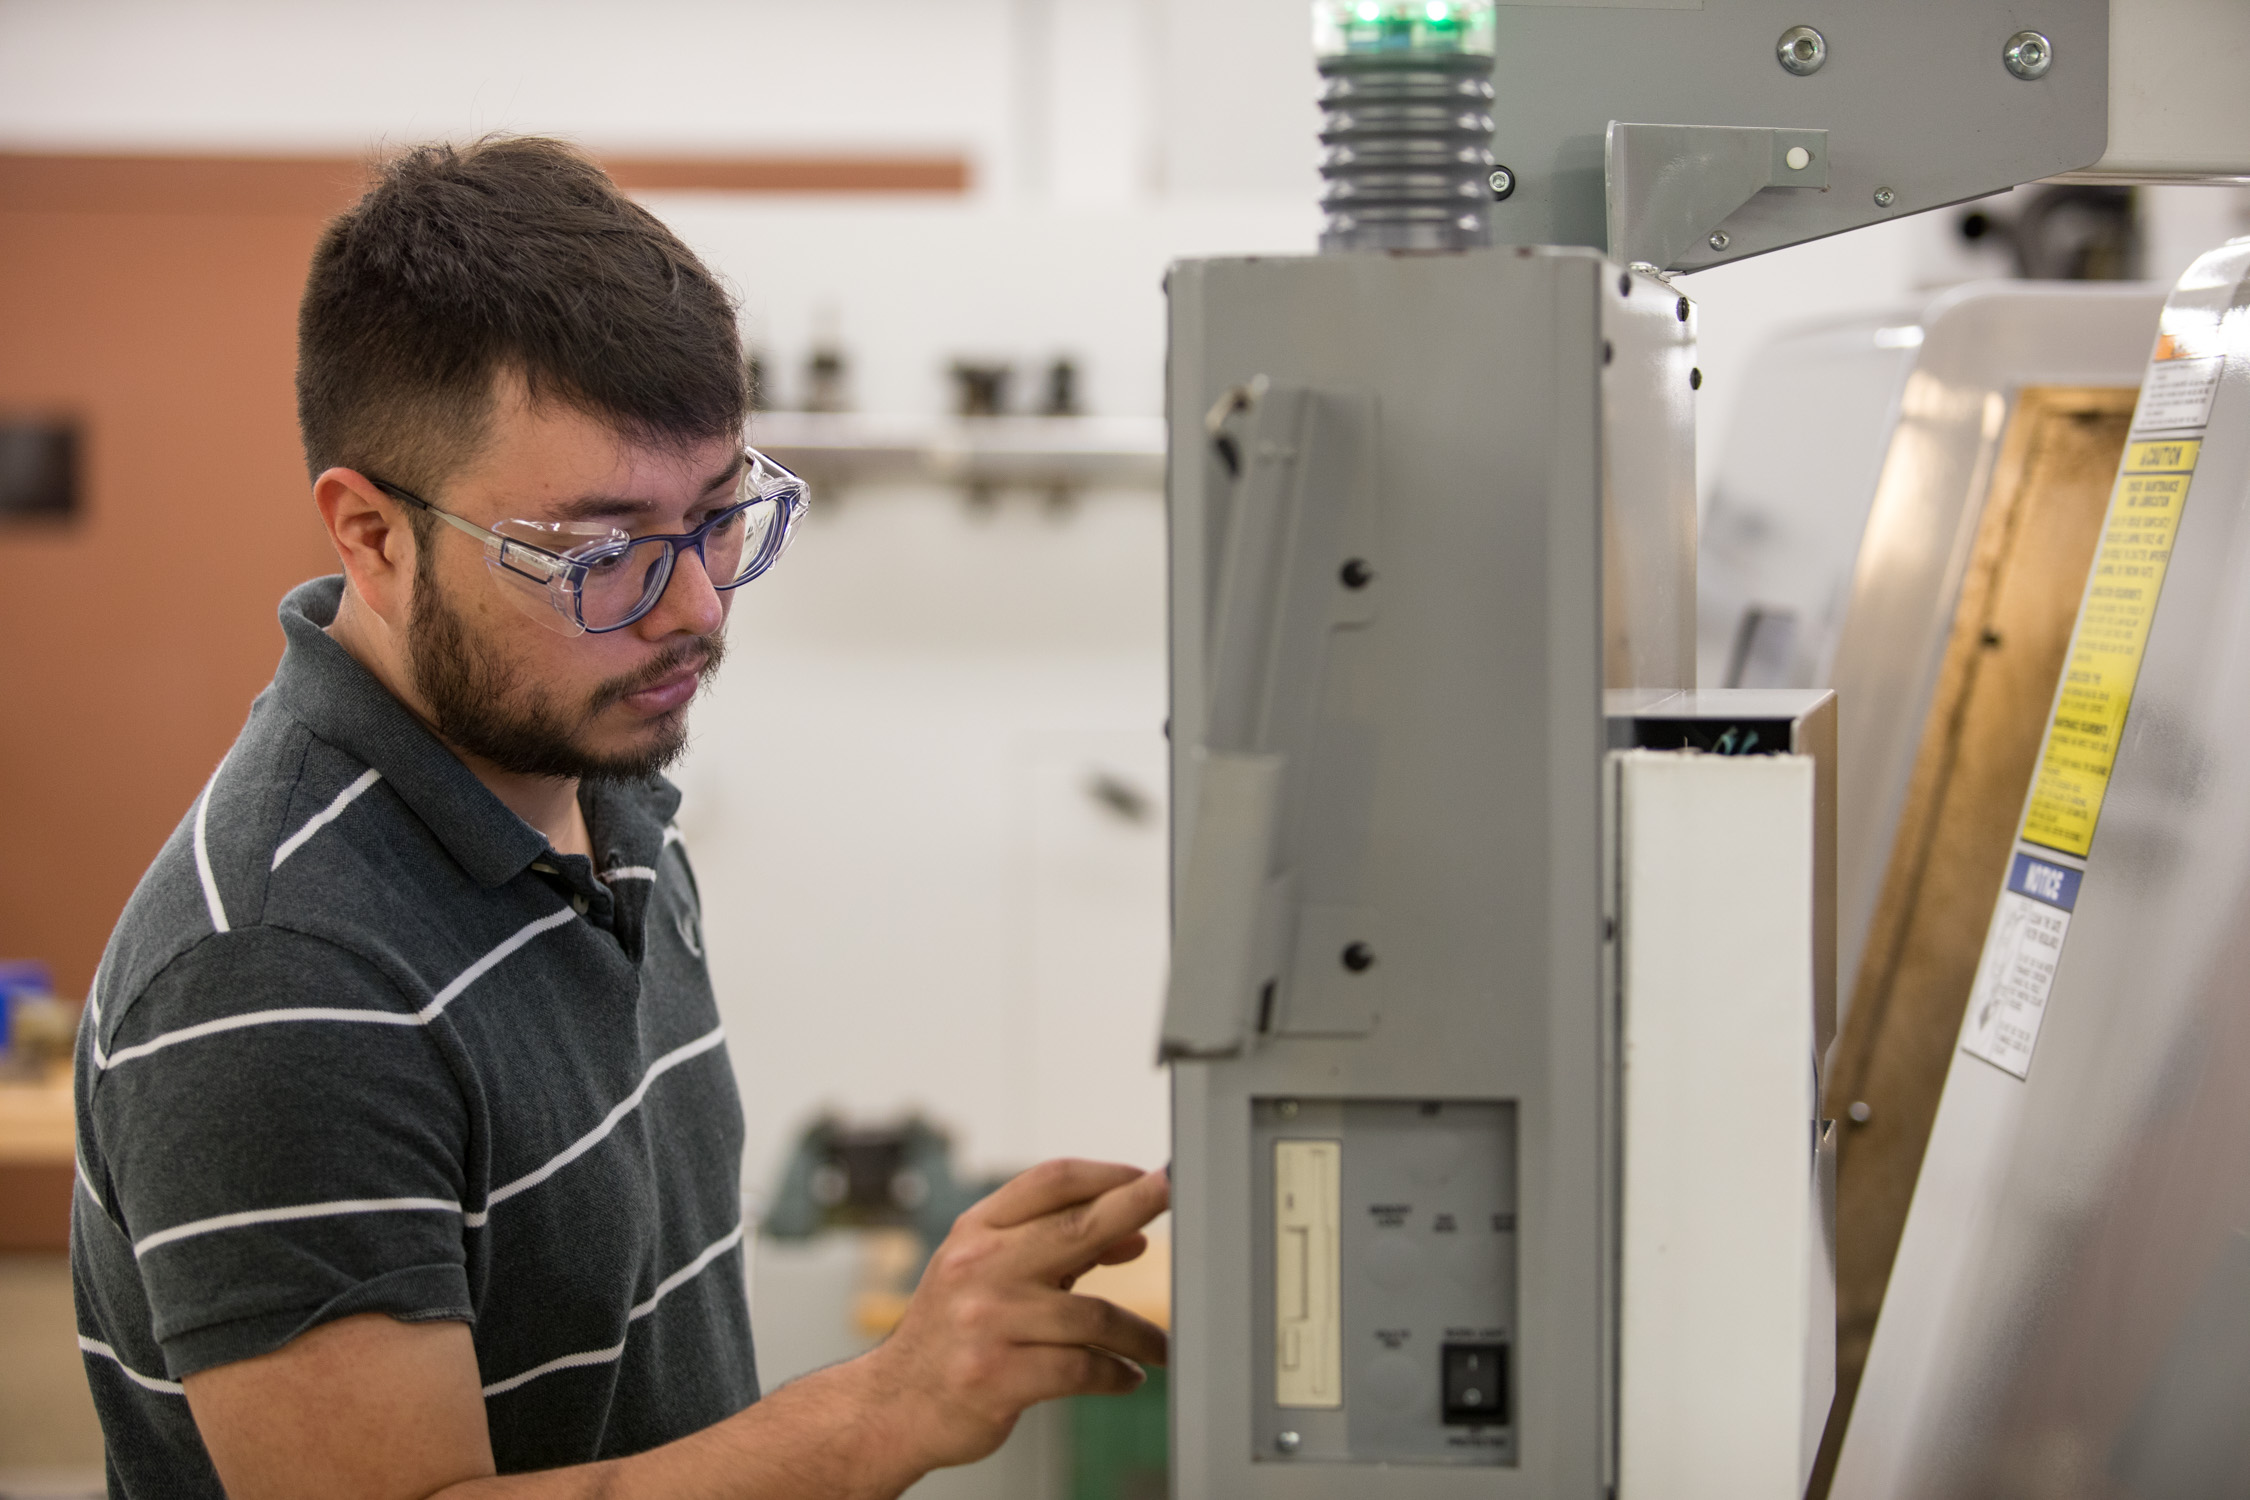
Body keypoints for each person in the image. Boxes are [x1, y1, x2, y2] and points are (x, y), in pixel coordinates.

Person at [71, 136, 1169, 1499]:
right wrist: (880, 1410)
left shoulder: (599, 786)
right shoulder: (281, 972)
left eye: (717, 514)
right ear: (370, 536)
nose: (696, 607)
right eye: (596, 553)